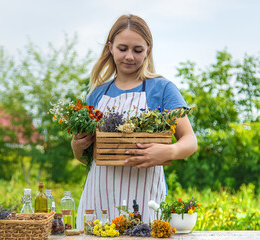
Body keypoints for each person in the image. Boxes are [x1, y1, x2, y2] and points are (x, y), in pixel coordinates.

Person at [71, 14, 198, 228]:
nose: (129, 56)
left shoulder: (162, 88)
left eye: (137, 50)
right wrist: (77, 146)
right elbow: (84, 158)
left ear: (148, 50)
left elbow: (190, 141)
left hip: (144, 200)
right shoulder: (97, 94)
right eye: (123, 49)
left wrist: (169, 152)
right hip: (97, 198)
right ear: (110, 47)